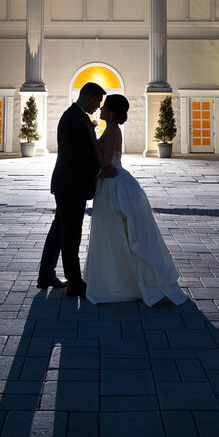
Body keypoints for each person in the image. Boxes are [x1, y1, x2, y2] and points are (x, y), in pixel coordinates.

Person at [84, 94, 187, 306]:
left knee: (112, 230)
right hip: (110, 181)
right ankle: (118, 278)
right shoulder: (111, 129)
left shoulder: (113, 130)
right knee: (113, 232)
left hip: (112, 184)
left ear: (112, 112)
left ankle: (119, 282)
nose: (101, 109)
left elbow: (104, 161)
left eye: (105, 107)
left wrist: (92, 139)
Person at [39, 81, 113, 298]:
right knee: (71, 234)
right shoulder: (73, 118)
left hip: (69, 183)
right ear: (87, 97)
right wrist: (99, 171)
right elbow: (76, 156)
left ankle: (46, 275)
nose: (98, 107)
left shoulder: (76, 116)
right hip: (71, 185)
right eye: (97, 102)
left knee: (58, 231)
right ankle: (74, 282)